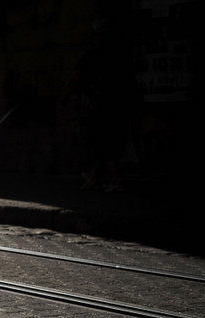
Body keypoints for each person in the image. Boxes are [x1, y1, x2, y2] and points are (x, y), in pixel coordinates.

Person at [62, 19, 135, 193]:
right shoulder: (113, 56)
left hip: (98, 106)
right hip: (106, 106)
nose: (96, 38)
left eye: (98, 34)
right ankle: (95, 177)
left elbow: (76, 78)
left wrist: (66, 96)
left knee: (101, 144)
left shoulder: (95, 56)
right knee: (99, 144)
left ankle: (115, 178)